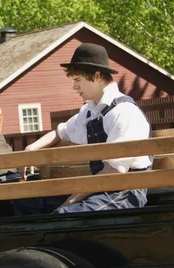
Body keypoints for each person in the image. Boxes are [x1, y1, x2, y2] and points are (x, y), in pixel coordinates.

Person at [21, 43, 152, 214]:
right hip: (99, 188)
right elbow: (60, 132)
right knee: (28, 203)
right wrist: (31, 149)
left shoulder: (124, 112)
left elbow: (113, 171)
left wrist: (70, 201)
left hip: (125, 192)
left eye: (77, 80)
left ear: (97, 76)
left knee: (64, 216)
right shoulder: (90, 111)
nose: (74, 86)